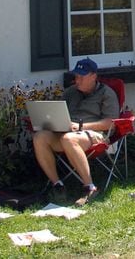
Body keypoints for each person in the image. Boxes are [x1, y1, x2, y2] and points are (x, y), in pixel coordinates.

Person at [32, 57, 118, 202]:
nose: (77, 80)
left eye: (81, 77)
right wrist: (51, 122)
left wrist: (80, 127)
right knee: (39, 137)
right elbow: (59, 113)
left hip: (94, 135)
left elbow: (111, 123)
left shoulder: (106, 94)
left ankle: (90, 187)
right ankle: (57, 185)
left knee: (69, 139)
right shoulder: (70, 92)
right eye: (76, 76)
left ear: (93, 76)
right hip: (67, 132)